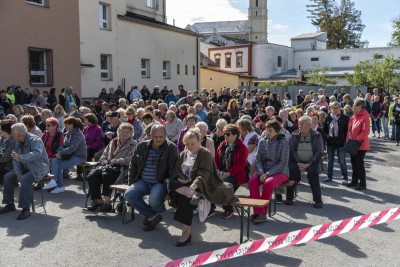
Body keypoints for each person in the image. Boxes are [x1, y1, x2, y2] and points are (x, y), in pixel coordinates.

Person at [167, 129, 237, 246]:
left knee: (185, 200)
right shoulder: (184, 153)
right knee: (169, 182)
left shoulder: (205, 153)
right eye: (187, 144)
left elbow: (204, 174)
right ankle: (190, 194)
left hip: (201, 185)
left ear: (199, 141)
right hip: (186, 185)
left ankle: (186, 233)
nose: (190, 146)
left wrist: (193, 186)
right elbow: (177, 170)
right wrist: (180, 178)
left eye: (192, 144)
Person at [124, 125, 178, 231]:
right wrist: (131, 182)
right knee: (129, 194)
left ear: (165, 136)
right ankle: (152, 215)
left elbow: (173, 170)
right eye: (156, 136)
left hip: (159, 182)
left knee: (153, 200)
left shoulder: (171, 148)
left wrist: (170, 189)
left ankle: (152, 214)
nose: (158, 139)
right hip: (142, 181)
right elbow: (133, 165)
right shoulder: (141, 146)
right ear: (151, 135)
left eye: (161, 137)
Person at [0, 123, 50, 220]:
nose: (12, 136)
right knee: (8, 177)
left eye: (13, 134)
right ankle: (10, 204)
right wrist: (18, 172)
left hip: (39, 168)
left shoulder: (35, 140)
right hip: (25, 167)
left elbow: (36, 154)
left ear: (19, 135)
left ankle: (25, 208)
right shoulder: (17, 142)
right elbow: (15, 159)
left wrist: (21, 157)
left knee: (25, 179)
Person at [85, 123, 138, 212]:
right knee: (92, 175)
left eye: (127, 132)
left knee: (107, 175)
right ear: (118, 132)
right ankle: (98, 201)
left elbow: (132, 159)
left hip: (122, 170)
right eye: (122, 131)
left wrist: (117, 161)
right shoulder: (113, 142)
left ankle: (107, 203)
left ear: (131, 133)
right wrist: (104, 160)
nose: (124, 134)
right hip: (108, 167)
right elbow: (104, 155)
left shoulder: (134, 144)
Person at [249, 120, 289, 223]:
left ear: (276, 132)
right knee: (252, 183)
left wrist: (268, 174)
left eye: (270, 130)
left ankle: (262, 213)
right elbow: (257, 159)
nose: (267, 132)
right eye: (266, 129)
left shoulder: (283, 142)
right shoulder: (262, 141)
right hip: (263, 170)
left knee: (268, 183)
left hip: (280, 171)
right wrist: (262, 173)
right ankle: (258, 211)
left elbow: (282, 163)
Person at [286, 116, 324, 208]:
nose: (299, 125)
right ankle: (289, 198)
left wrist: (309, 164)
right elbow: (291, 150)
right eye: (299, 123)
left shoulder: (317, 135)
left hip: (312, 162)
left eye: (301, 123)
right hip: (297, 161)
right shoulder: (294, 134)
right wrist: (298, 162)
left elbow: (319, 152)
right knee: (292, 170)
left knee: (313, 173)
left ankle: (318, 200)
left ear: (309, 125)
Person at [43, 117, 87, 193]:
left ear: (71, 125)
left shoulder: (78, 134)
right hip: (69, 155)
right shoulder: (68, 133)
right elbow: (63, 145)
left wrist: (61, 153)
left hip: (79, 157)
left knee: (57, 166)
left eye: (66, 125)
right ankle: (55, 183)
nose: (65, 126)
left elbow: (72, 148)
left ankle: (58, 184)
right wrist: (58, 153)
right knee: (54, 160)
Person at [215, 124, 248, 218]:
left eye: (228, 134)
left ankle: (228, 210)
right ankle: (210, 208)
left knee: (226, 186)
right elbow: (217, 159)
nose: (225, 136)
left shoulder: (242, 147)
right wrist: (218, 172)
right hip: (223, 172)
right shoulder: (222, 145)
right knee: (210, 182)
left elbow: (241, 165)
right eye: (224, 134)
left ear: (235, 135)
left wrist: (228, 174)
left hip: (236, 174)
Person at [346, 99, 371, 190]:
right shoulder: (354, 115)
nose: (353, 107)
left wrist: (355, 140)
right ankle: (354, 181)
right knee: (353, 163)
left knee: (359, 164)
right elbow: (350, 129)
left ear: (360, 107)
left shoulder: (365, 117)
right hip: (353, 143)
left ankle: (362, 184)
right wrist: (349, 140)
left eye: (354, 106)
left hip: (360, 145)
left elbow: (365, 132)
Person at [323, 101, 349, 184]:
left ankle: (345, 178)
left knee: (342, 161)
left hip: (341, 144)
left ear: (340, 108)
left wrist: (345, 140)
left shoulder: (345, 118)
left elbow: (347, 131)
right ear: (330, 109)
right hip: (330, 143)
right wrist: (327, 138)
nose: (335, 109)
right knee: (330, 161)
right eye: (333, 108)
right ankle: (329, 176)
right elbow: (325, 129)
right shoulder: (328, 117)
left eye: (337, 107)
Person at [0, 120, 16, 185]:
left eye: (0, 129)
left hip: (8, 166)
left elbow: (6, 157)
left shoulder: (14, 141)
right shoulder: (1, 139)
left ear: (6, 131)